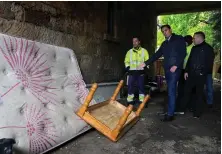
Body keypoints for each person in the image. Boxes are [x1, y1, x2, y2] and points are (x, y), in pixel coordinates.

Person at [139, 25, 186, 122]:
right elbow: (156, 55)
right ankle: (170, 110)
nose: (164, 32)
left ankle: (170, 114)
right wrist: (145, 63)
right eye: (163, 31)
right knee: (169, 91)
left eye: (166, 30)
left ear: (170, 30)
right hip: (167, 69)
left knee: (171, 91)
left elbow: (183, 53)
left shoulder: (179, 39)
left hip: (175, 69)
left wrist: (176, 65)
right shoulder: (164, 44)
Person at [179, 31, 215, 118]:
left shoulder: (208, 49)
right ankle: (181, 109)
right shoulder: (194, 48)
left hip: (201, 76)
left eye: (194, 38)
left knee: (199, 94)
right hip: (191, 74)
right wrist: (186, 71)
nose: (193, 40)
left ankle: (197, 113)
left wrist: (203, 73)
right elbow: (189, 60)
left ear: (199, 38)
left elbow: (209, 63)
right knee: (186, 92)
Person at [124, 37, 149, 105]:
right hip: (131, 72)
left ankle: (142, 101)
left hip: (141, 72)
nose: (134, 43)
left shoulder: (144, 51)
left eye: (136, 41)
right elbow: (126, 61)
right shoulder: (129, 52)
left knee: (141, 87)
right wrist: (128, 68)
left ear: (139, 42)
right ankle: (130, 101)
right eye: (133, 42)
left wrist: (145, 69)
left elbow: (147, 61)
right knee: (130, 86)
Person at [175, 35, 193, 114]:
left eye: (186, 42)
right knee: (180, 88)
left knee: (187, 88)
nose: (185, 43)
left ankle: (186, 106)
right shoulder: (184, 47)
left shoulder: (193, 48)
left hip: (188, 71)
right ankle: (179, 104)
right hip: (182, 69)